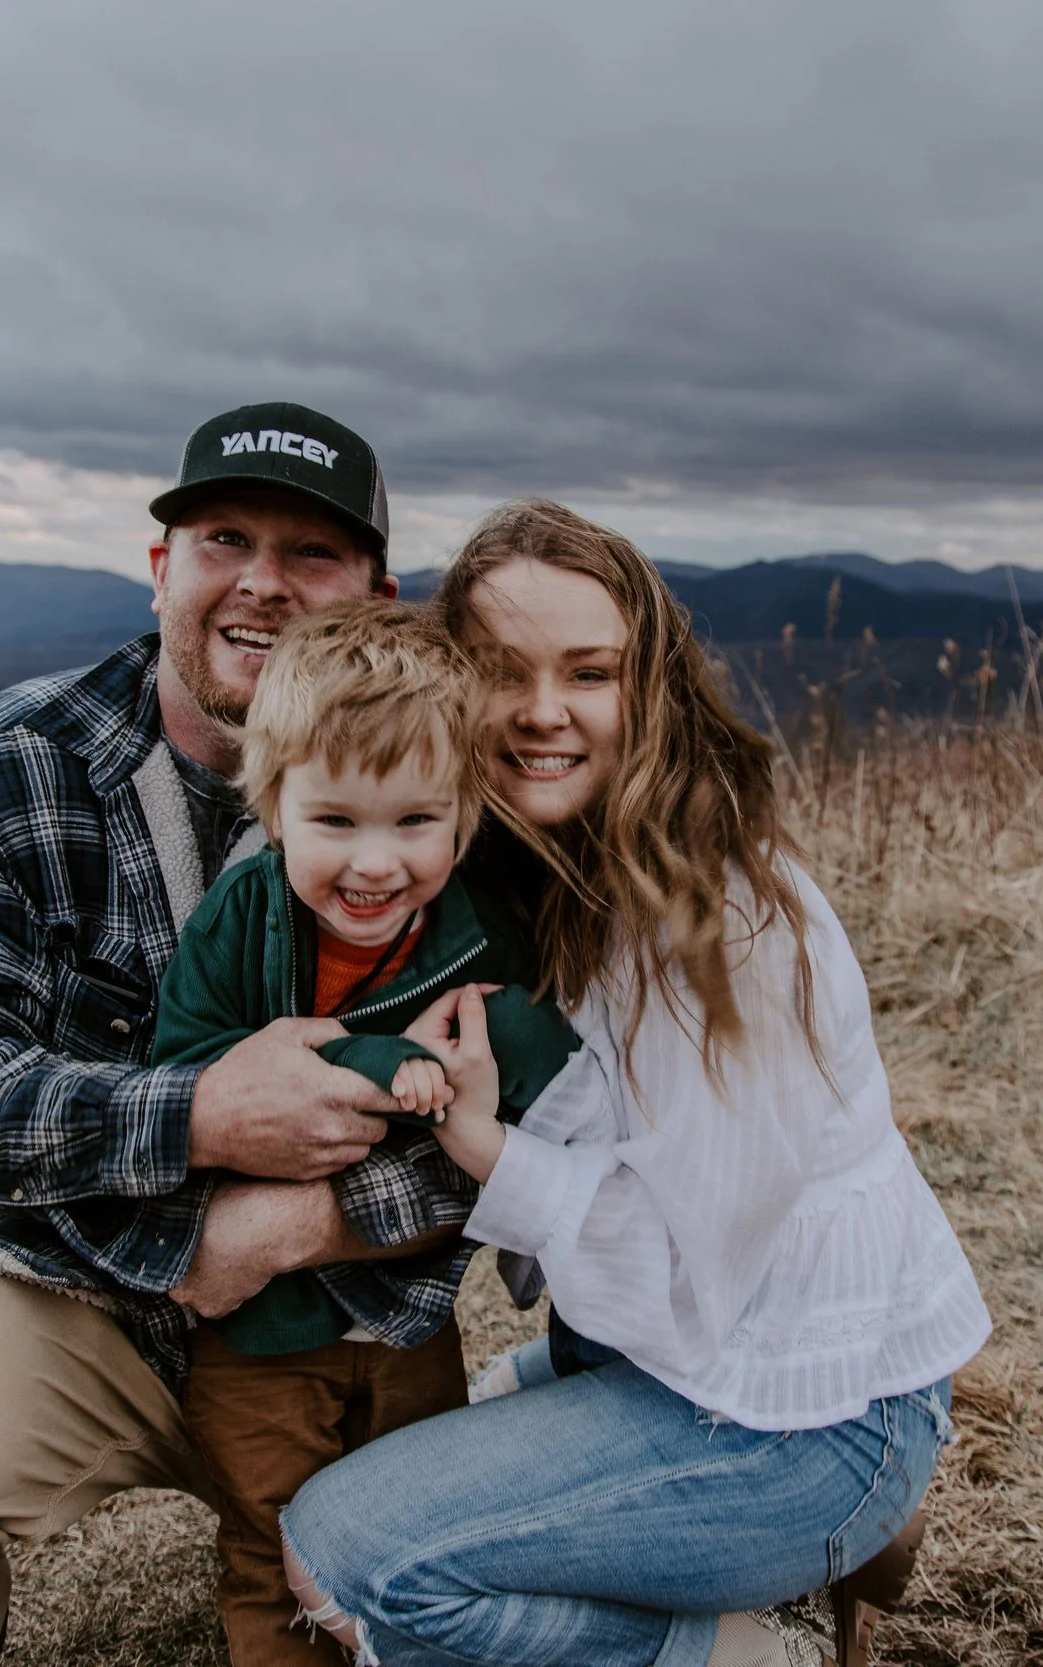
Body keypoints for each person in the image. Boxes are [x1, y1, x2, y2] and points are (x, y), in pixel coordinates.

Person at [0, 402, 482, 1667]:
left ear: (377, 594)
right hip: (74, 1288)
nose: (262, 581)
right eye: (224, 537)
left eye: (310, 553)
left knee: (423, 1602)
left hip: (354, 1316)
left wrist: (295, 1225)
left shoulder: (450, 803)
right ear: (163, 570)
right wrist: (197, 1119)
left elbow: (525, 1085)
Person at [279, 500, 995, 1667]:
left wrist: (483, 1150)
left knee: (355, 1551)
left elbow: (679, 1269)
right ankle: (796, 1560)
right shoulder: (546, 864)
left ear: (647, 685)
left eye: (589, 671)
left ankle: (752, 1652)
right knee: (393, 1490)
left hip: (798, 1413)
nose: (542, 709)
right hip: (678, 1355)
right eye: (501, 671)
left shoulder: (724, 928)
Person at [150, 598, 580, 1665]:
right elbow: (179, 1070)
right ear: (274, 806)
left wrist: (494, 1041)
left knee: (412, 1525)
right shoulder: (240, 919)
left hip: (407, 1312)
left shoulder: (484, 925)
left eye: (413, 822)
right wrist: (369, 1062)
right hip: (260, 1336)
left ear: (463, 814)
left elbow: (543, 1059)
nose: (375, 863)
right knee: (272, 1536)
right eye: (335, 821)